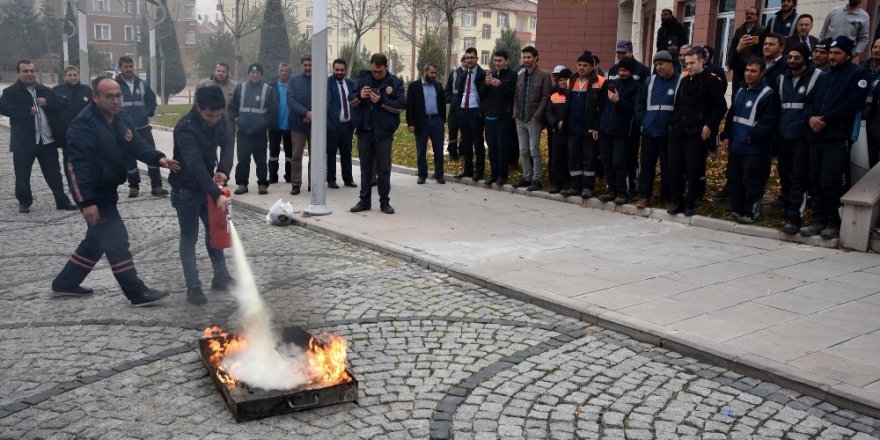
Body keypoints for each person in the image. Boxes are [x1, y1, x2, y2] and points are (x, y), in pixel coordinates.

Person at [52, 75, 180, 305]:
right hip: (94, 193)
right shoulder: (82, 126)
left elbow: (135, 142)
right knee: (116, 238)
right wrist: (86, 203)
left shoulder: (120, 118)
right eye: (109, 96)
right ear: (95, 97)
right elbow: (75, 168)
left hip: (108, 188)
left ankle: (65, 283)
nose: (115, 101)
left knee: (96, 241)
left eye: (118, 95)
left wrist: (158, 158)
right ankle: (136, 292)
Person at [169, 85, 235, 305]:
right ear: (198, 107)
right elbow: (195, 165)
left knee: (214, 232)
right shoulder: (185, 128)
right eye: (209, 115)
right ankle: (193, 287)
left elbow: (227, 143)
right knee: (189, 237)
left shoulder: (218, 118)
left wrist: (223, 170)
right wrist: (216, 194)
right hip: (186, 189)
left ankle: (221, 276)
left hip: (208, 186)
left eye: (218, 115)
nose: (214, 120)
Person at [802, 36, 870, 239]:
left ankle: (833, 222)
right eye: (830, 53)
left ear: (848, 55)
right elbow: (809, 100)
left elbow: (853, 104)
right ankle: (818, 220)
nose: (832, 57)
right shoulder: (824, 75)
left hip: (836, 137)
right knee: (814, 179)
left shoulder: (857, 74)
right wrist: (810, 118)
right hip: (816, 136)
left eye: (837, 53)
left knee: (830, 181)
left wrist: (826, 120)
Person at [0, 60, 77, 214]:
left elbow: (62, 102)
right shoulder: (11, 91)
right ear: (19, 73)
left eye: (31, 71)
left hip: (46, 141)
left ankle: (61, 201)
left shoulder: (44, 90)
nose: (29, 74)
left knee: (54, 173)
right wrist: (26, 111)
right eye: (25, 71)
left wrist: (47, 102)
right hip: (23, 143)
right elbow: (3, 108)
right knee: (22, 175)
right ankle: (24, 202)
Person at [720, 58, 778, 224]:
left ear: (762, 73)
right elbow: (732, 116)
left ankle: (751, 212)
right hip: (736, 145)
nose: (748, 74)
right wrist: (726, 135)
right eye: (747, 70)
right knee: (734, 178)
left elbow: (768, 121)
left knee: (751, 181)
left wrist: (752, 136)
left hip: (755, 149)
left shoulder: (767, 94)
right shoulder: (740, 90)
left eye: (753, 71)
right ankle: (737, 209)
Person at [668, 52, 727, 216]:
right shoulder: (685, 80)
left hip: (696, 132)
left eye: (692, 63)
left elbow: (720, 107)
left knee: (693, 170)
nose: (688, 67)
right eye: (686, 64)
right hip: (679, 130)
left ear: (702, 62)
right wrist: (674, 123)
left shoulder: (711, 80)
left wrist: (709, 126)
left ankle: (690, 203)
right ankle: (676, 201)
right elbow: (678, 105)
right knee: (675, 168)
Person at [777, 43, 826, 234]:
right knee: (785, 175)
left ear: (806, 58)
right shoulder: (782, 79)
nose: (792, 61)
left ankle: (794, 217)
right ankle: (787, 209)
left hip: (803, 137)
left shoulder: (818, 77)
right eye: (789, 57)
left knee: (798, 177)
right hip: (784, 135)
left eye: (797, 58)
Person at [350, 53, 405, 215]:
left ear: (385, 67)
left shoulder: (394, 83)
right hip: (365, 131)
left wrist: (381, 102)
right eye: (373, 70)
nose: (376, 74)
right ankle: (364, 200)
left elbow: (400, 106)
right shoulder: (363, 80)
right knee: (365, 168)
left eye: (379, 71)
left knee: (383, 169)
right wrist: (360, 96)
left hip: (384, 132)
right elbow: (351, 100)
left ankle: (384, 202)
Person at [634, 51, 681, 210]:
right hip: (649, 131)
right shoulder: (650, 81)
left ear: (670, 64)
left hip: (669, 133)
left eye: (661, 64)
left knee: (668, 167)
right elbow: (639, 104)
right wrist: (643, 121)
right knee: (646, 165)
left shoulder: (680, 81)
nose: (658, 67)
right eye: (656, 64)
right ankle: (644, 196)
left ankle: (667, 198)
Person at [116, 56, 166, 197]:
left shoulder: (142, 84)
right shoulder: (115, 85)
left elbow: (151, 100)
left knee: (151, 154)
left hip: (143, 127)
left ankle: (156, 186)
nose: (128, 69)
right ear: (121, 68)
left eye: (130, 66)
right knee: (129, 158)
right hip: (125, 129)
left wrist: (148, 112)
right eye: (125, 67)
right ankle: (134, 186)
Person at [608, 40, 651, 195]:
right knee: (614, 159)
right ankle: (615, 187)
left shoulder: (642, 70)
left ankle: (631, 185)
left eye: (623, 52)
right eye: (618, 52)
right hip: (613, 122)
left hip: (631, 123)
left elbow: (644, 97)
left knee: (630, 157)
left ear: (631, 52)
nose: (620, 55)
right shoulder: (613, 70)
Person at [228, 63, 277, 195]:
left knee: (261, 160)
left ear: (261, 75)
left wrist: (264, 123)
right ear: (249, 74)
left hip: (259, 133)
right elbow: (232, 107)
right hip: (243, 132)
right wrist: (237, 119)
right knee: (243, 159)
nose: (255, 75)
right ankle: (242, 184)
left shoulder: (268, 89)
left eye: (258, 73)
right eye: (252, 73)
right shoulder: (240, 88)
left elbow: (273, 111)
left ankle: (262, 184)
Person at [560, 51, 604, 199]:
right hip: (572, 127)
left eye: (585, 65)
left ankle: (587, 187)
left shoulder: (600, 82)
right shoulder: (570, 81)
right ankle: (575, 186)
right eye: (579, 65)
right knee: (574, 158)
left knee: (590, 158)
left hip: (589, 128)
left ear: (592, 67)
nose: (581, 68)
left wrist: (596, 126)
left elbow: (602, 108)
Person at [597, 57, 639, 204]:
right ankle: (611, 190)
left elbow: (634, 109)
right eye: (620, 70)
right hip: (605, 129)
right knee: (606, 162)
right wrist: (598, 126)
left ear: (631, 71)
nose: (622, 73)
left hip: (621, 131)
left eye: (625, 70)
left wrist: (618, 101)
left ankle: (622, 192)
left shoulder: (635, 87)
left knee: (618, 163)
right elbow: (602, 106)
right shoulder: (611, 84)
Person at [512, 46, 553, 192]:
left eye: (529, 57)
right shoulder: (520, 75)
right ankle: (526, 177)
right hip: (520, 118)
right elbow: (516, 96)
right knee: (523, 150)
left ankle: (537, 179)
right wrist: (515, 113)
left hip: (534, 119)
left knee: (534, 150)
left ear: (536, 58)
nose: (526, 60)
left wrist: (537, 116)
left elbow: (546, 97)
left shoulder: (544, 75)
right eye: (524, 57)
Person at [481, 50, 517, 188]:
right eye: (495, 60)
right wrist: (486, 85)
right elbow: (482, 94)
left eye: (500, 60)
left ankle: (502, 175)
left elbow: (514, 94)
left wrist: (501, 85)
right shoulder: (490, 74)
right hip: (489, 115)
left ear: (506, 61)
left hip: (503, 117)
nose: (497, 63)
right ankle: (493, 173)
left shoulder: (512, 75)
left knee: (502, 147)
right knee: (492, 147)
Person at [406, 62, 446, 184]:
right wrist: (410, 123)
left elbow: (442, 104)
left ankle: (439, 174)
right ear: (425, 72)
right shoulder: (414, 86)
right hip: (421, 122)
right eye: (431, 72)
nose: (433, 75)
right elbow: (410, 106)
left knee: (438, 149)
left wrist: (442, 120)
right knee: (421, 149)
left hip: (436, 121)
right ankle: (422, 174)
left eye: (435, 73)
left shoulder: (438, 86)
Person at [451, 47, 486, 181]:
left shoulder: (482, 74)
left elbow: (484, 94)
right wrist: (458, 110)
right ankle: (468, 169)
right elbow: (459, 92)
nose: (469, 60)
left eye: (472, 58)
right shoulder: (462, 74)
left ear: (477, 59)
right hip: (463, 111)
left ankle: (479, 170)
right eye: (467, 58)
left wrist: (481, 111)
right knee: (465, 142)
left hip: (475, 111)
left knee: (477, 142)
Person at [327, 58, 358, 188]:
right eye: (337, 69)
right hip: (332, 125)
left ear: (345, 70)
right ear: (333, 69)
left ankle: (348, 179)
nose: (339, 72)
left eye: (342, 70)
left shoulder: (350, 84)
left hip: (347, 125)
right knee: (331, 153)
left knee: (346, 153)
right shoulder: (327, 83)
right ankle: (331, 179)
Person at [287, 55, 313, 195]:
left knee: (315, 156)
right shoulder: (294, 81)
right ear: (302, 65)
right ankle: (296, 183)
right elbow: (290, 100)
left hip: (316, 124)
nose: (308, 67)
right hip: (298, 124)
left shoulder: (321, 80)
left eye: (310, 65)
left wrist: (313, 114)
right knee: (296, 155)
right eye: (306, 65)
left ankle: (313, 182)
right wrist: (305, 113)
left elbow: (326, 99)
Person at [545, 68, 572, 194]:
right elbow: (549, 112)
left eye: (565, 80)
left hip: (570, 132)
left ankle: (567, 183)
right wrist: (555, 123)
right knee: (556, 158)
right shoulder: (554, 95)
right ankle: (555, 184)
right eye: (560, 80)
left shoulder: (573, 94)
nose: (562, 82)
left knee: (569, 158)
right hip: (557, 132)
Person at [727, 7, 765, 97]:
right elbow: (732, 48)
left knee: (749, 94)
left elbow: (761, 52)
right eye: (747, 13)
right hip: (738, 69)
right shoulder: (739, 30)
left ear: (757, 16)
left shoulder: (762, 31)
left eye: (752, 13)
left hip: (752, 68)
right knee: (736, 94)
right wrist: (730, 61)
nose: (749, 15)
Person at [197, 62, 238, 139]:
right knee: (208, 150)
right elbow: (196, 104)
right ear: (214, 71)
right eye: (218, 71)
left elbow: (237, 105)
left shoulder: (235, 86)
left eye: (223, 71)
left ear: (227, 73)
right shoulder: (204, 84)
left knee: (228, 150)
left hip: (228, 127)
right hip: (208, 125)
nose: (220, 73)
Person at [268, 62, 293, 185]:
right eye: (281, 70)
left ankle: (289, 176)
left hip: (290, 126)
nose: (284, 73)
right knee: (273, 153)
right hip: (274, 125)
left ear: (290, 72)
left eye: (286, 71)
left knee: (290, 154)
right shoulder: (271, 86)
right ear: (278, 71)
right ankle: (273, 176)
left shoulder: (293, 85)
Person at [53, 65, 92, 131]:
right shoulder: (57, 91)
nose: (72, 77)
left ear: (78, 75)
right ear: (65, 76)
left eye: (75, 75)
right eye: (69, 75)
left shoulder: (87, 90)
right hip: (64, 130)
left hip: (84, 129)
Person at [444, 56, 466, 161]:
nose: (466, 63)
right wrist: (451, 99)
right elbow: (447, 90)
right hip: (454, 109)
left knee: (465, 133)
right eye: (464, 61)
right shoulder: (453, 74)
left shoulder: (471, 74)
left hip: (466, 109)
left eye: (468, 60)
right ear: (461, 62)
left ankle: (463, 153)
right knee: (452, 132)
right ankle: (452, 154)